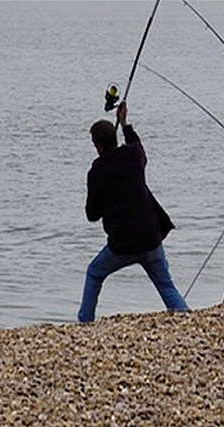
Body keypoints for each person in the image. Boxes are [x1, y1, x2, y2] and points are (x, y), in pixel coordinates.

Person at [78, 101, 188, 322]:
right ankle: (185, 319)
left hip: (122, 245)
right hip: (150, 237)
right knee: (166, 285)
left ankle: (84, 323)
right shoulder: (134, 156)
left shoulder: (97, 171)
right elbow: (137, 146)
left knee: (94, 273)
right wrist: (125, 123)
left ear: (98, 145)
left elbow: (92, 215)